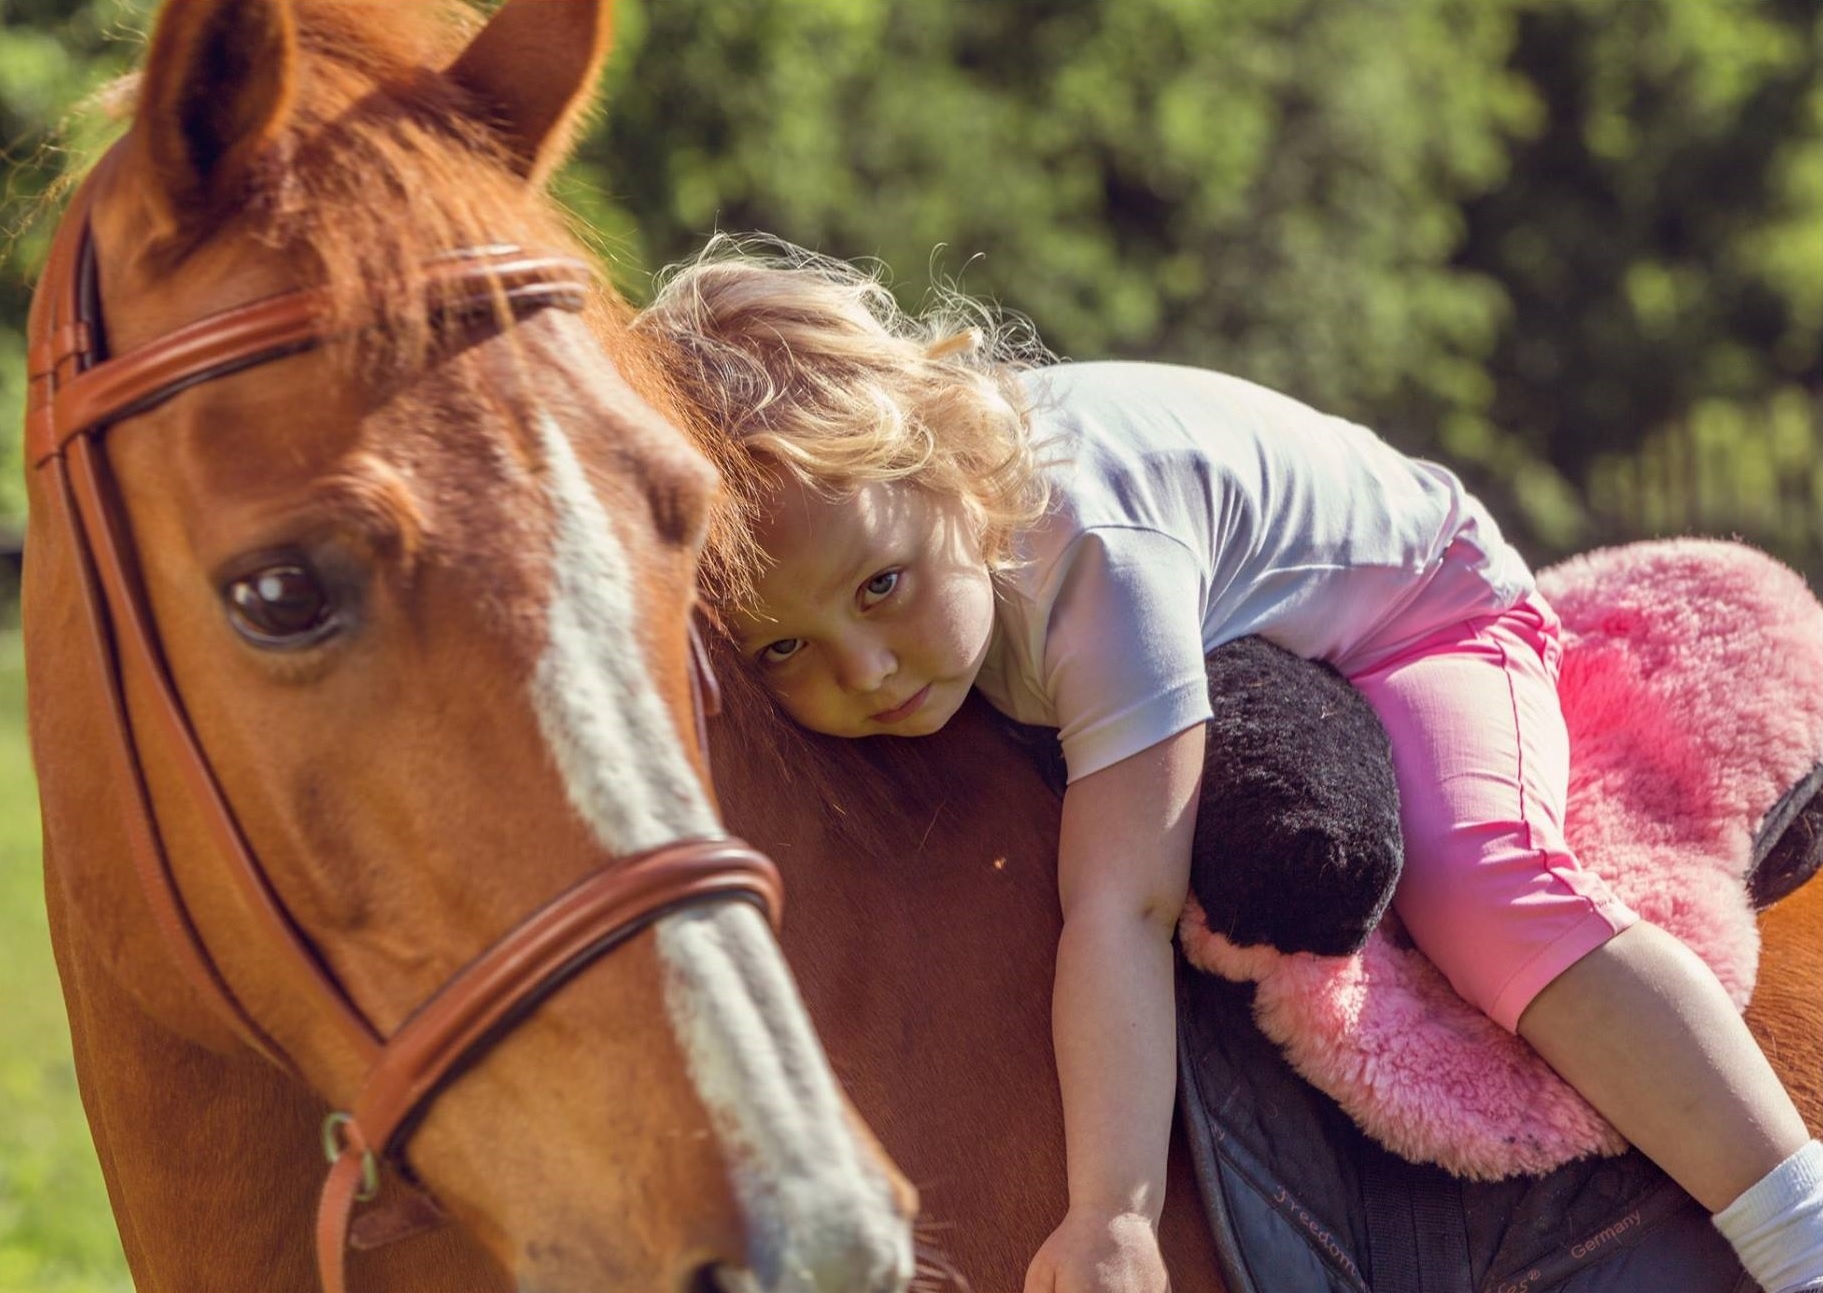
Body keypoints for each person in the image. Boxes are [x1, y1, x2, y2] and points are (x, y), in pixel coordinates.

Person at [634, 233, 1823, 1293]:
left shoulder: (1093, 559)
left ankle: (1793, 1220)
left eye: (881, 586)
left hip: (1419, 611)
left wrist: (1112, 1213)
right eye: (783, 647)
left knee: (1477, 881)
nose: (863, 671)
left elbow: (1123, 908)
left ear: (943, 466)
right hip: (1230, 617)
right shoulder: (907, 563)